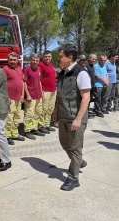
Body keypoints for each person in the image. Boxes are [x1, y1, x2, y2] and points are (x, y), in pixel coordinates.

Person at [55, 44, 91, 191]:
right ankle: (79, 161)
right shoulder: (63, 73)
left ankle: (73, 178)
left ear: (70, 58)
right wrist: (56, 111)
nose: (58, 59)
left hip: (75, 117)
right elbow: (60, 95)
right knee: (64, 143)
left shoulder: (81, 73)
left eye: (61, 56)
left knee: (75, 148)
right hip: (63, 116)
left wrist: (78, 118)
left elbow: (86, 97)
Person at [23, 54, 48, 140]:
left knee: (37, 112)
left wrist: (42, 92)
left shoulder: (39, 69)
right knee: (29, 113)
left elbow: (40, 82)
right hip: (31, 96)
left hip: (38, 95)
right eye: (33, 60)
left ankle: (34, 128)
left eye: (37, 61)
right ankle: (27, 130)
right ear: (31, 60)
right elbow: (24, 83)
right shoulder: (27, 69)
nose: (35, 62)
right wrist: (28, 95)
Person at [2, 52, 25, 145]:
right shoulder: (5, 69)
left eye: (14, 60)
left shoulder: (19, 69)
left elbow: (22, 82)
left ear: (17, 60)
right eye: (11, 60)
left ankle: (15, 133)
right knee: (9, 118)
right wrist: (6, 96)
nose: (12, 61)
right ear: (8, 60)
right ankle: (7, 136)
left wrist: (22, 94)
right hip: (9, 99)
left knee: (17, 116)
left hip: (18, 98)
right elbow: (2, 84)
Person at [38, 50, 57, 132]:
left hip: (53, 90)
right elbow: (38, 79)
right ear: (43, 57)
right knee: (44, 109)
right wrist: (41, 90)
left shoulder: (52, 65)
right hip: (45, 90)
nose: (47, 58)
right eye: (45, 56)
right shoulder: (40, 65)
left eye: (49, 56)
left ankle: (47, 124)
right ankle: (41, 125)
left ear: (51, 57)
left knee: (50, 108)